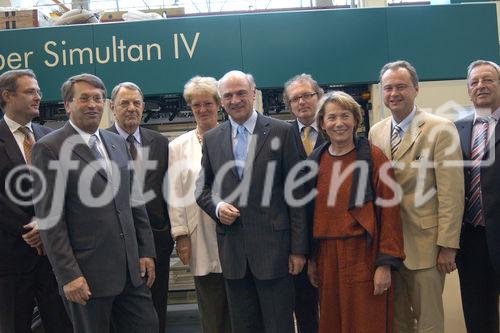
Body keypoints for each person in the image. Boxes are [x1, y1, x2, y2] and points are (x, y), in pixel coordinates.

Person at [32, 73, 158, 333]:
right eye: (84, 98)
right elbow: (50, 219)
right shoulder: (50, 148)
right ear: (67, 104)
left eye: (98, 99)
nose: (92, 105)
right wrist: (68, 275)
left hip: (131, 272)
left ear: (105, 103)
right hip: (86, 277)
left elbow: (134, 201)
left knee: (148, 326)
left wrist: (145, 250)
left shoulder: (116, 143)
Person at [195, 70, 307, 333]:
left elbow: (298, 195)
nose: (235, 100)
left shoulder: (282, 131)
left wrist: (299, 249)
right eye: (228, 95)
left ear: (253, 94)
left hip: (276, 254)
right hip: (234, 255)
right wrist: (218, 207)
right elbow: (202, 189)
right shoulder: (213, 139)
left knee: (279, 326)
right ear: (222, 101)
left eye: (241, 93)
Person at [369, 60, 464, 333]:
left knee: (429, 322)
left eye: (401, 86)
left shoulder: (440, 129)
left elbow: (451, 193)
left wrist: (448, 245)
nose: (394, 93)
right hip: (389, 248)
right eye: (388, 88)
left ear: (416, 88)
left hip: (427, 247)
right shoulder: (376, 131)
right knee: (397, 322)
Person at [306, 90, 405, 333]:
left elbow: (389, 214)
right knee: (332, 324)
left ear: (356, 121)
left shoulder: (373, 157)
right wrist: (311, 259)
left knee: (366, 323)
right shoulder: (315, 161)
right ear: (322, 124)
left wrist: (385, 265)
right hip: (327, 257)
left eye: (345, 116)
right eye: (331, 118)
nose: (338, 123)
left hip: (364, 255)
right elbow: (308, 214)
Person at [0, 69, 72, 332]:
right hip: (11, 257)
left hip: (54, 256)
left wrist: (46, 224)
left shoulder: (50, 137)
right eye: (30, 91)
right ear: (8, 96)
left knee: (62, 324)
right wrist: (30, 229)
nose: (38, 97)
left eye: (39, 91)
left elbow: (66, 187)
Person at [107, 82, 173, 333]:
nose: (131, 108)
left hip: (157, 243)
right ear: (112, 107)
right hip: (115, 245)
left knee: (156, 314)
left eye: (136, 103)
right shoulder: (99, 143)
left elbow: (170, 193)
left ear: (143, 107)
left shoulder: (160, 143)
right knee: (118, 315)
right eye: (124, 103)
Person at [168, 76, 231, 333]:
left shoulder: (233, 137)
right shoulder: (178, 147)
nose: (203, 109)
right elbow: (175, 192)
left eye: (208, 103)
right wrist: (181, 235)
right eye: (197, 105)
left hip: (235, 232)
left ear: (218, 104)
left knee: (241, 305)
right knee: (211, 306)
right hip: (200, 235)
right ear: (190, 108)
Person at [455, 60, 500, 333]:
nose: (481, 86)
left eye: (488, 80)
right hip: (471, 239)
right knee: (477, 315)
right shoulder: (456, 129)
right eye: (474, 82)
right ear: (468, 89)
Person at [282, 73, 324, 333]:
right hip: (296, 241)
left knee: (336, 309)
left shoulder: (338, 129)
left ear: (319, 96)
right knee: (304, 311)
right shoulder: (279, 135)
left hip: (332, 237)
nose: (301, 102)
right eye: (295, 98)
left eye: (307, 95)